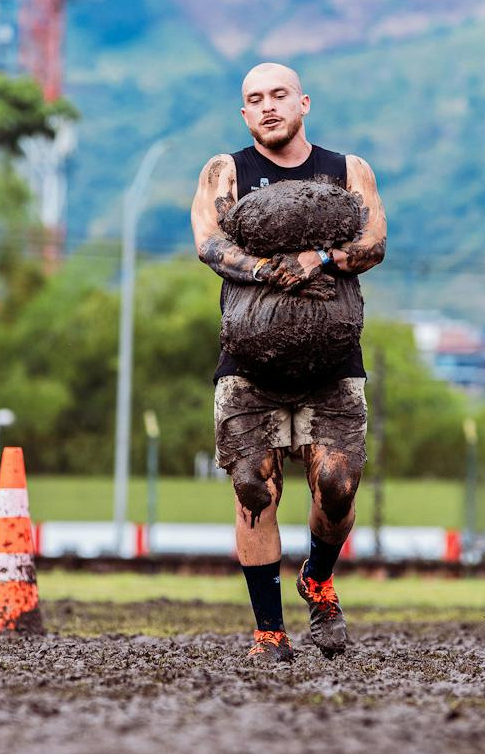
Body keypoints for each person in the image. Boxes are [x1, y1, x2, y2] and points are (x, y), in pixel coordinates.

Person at [190, 62, 386, 663]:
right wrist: (269, 270)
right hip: (250, 369)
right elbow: (211, 244)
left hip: (333, 368)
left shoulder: (347, 170)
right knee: (253, 489)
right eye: (255, 99)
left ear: (304, 102)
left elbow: (373, 242)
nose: (268, 106)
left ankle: (319, 580)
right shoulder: (227, 171)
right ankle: (269, 632)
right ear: (243, 113)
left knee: (337, 486)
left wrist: (320, 258)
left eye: (279, 95)